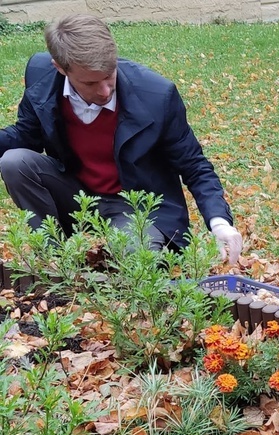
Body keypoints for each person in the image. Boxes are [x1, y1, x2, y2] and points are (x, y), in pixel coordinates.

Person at [0, 14, 242, 262]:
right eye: (91, 82)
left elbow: (194, 165)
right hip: (77, 196)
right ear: (60, 68)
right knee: (14, 162)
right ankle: (53, 261)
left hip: (135, 207)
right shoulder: (41, 77)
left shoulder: (156, 95)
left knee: (134, 256)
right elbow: (25, 137)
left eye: (109, 75)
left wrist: (219, 222)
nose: (105, 91)